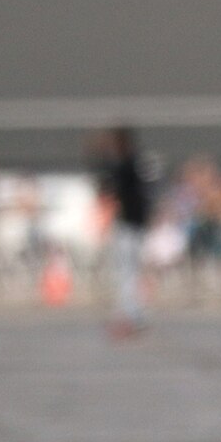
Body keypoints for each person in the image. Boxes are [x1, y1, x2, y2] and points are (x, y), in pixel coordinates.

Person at [93, 127, 152, 336]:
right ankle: (134, 315)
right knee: (131, 272)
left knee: (126, 273)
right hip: (135, 224)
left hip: (129, 224)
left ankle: (129, 316)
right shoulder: (137, 163)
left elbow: (107, 184)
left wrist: (100, 155)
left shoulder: (126, 165)